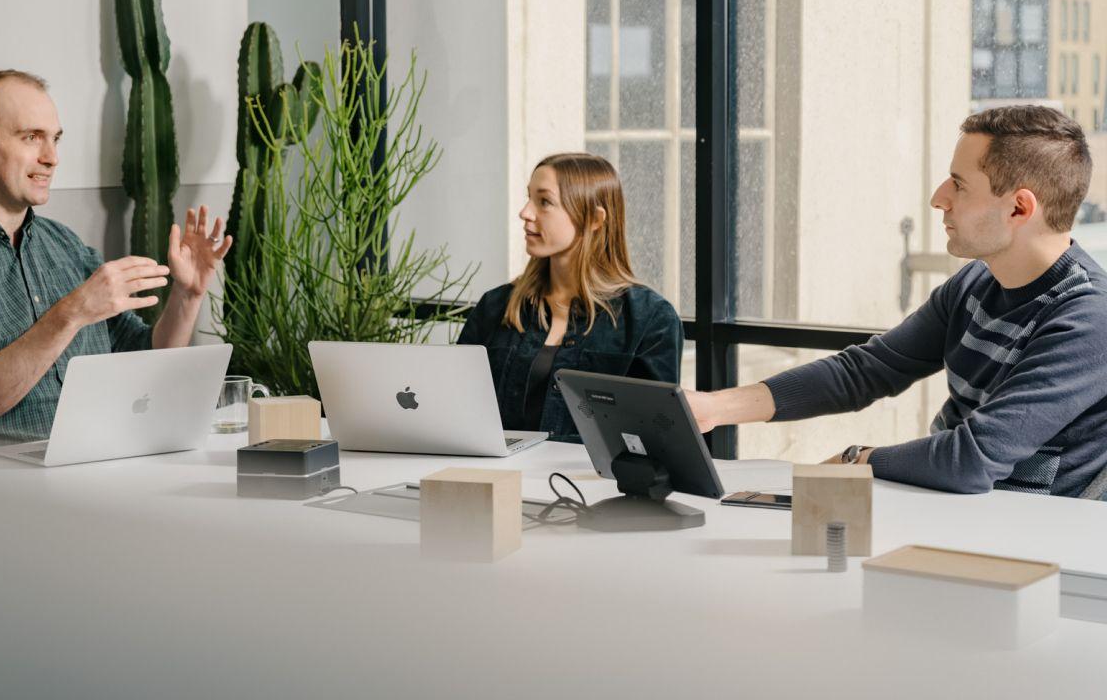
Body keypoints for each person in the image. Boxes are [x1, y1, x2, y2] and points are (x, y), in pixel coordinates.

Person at [688, 105, 1107, 498]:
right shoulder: (977, 282)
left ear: (1019, 208)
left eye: (959, 185)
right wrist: (714, 407)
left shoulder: (1088, 318)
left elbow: (972, 458)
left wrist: (859, 460)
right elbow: (867, 370)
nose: (939, 198)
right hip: (951, 509)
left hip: (1036, 548)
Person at [0, 69, 232, 440]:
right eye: (31, 137)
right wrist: (72, 312)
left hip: (95, 464)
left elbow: (143, 361)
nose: (51, 157)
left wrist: (187, 295)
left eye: (55, 138)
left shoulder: (65, 245)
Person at [458, 152, 682, 443]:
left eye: (544, 202)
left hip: (590, 486)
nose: (525, 212)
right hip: (496, 482)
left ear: (594, 219)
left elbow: (656, 435)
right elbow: (457, 408)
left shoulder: (650, 320)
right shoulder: (496, 306)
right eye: (528, 198)